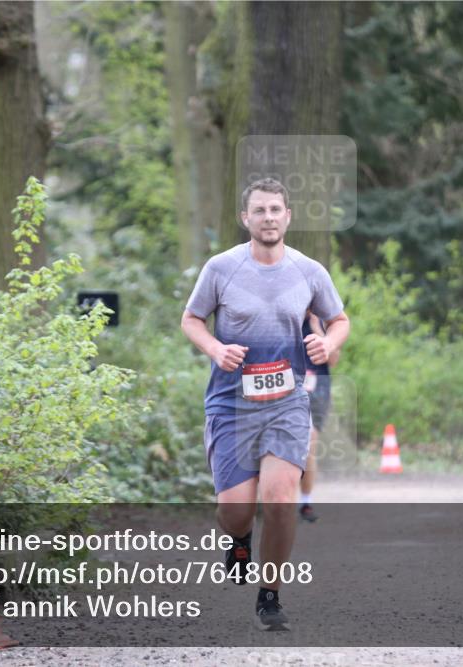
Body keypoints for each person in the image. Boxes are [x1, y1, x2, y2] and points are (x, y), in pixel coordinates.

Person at [180, 177, 349, 631]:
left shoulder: (310, 271)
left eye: (276, 210)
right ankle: (239, 539)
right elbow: (192, 318)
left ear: (288, 216)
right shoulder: (221, 268)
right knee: (233, 511)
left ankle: (269, 596)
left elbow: (340, 320)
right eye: (260, 211)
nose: (269, 217)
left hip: (287, 402)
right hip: (231, 405)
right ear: (246, 218)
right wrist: (215, 349)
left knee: (279, 500)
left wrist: (326, 343)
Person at [299, 310, 338, 523]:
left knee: (309, 444)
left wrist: (316, 325)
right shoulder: (280, 313)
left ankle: (305, 502)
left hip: (317, 389)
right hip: (283, 388)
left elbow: (333, 359)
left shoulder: (322, 319)